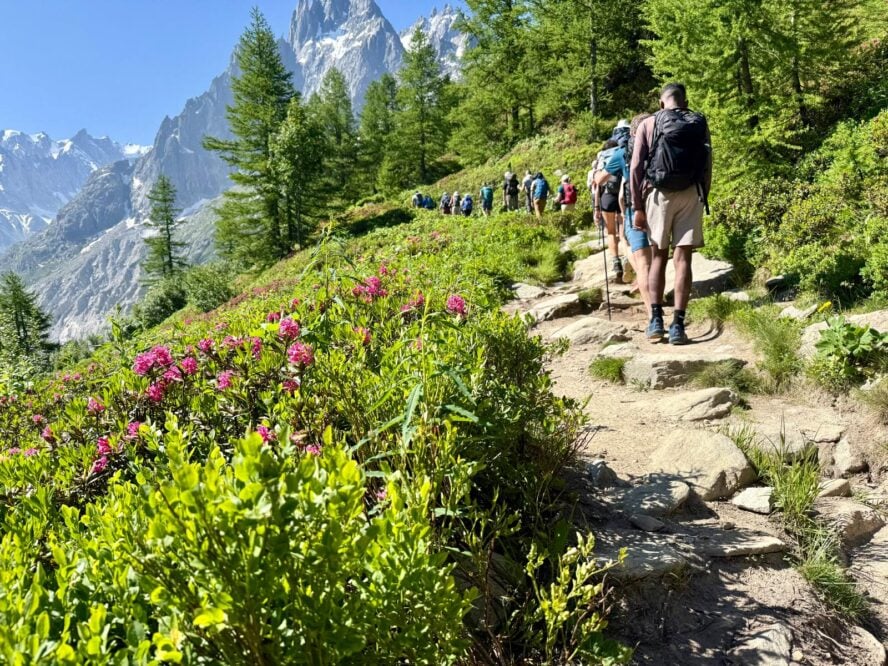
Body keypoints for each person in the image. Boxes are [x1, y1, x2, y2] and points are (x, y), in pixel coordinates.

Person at [631, 83, 712, 345]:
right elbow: (708, 162)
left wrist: (638, 207)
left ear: (660, 102)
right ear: (685, 101)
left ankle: (656, 321)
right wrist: (703, 194)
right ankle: (678, 324)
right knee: (683, 257)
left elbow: (635, 169)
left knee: (658, 256)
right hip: (691, 192)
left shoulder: (649, 124)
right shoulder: (697, 122)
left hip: (658, 194)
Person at [602, 113, 654, 316]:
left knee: (639, 258)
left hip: (632, 206)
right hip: (659, 207)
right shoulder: (659, 145)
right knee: (659, 257)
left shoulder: (620, 152)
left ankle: (653, 315)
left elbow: (600, 180)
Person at [592, 138, 625, 283]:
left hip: (608, 196)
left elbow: (597, 186)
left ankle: (616, 261)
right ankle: (629, 258)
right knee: (623, 233)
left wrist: (596, 208)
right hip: (623, 195)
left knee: (611, 232)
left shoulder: (602, 158)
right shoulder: (621, 154)